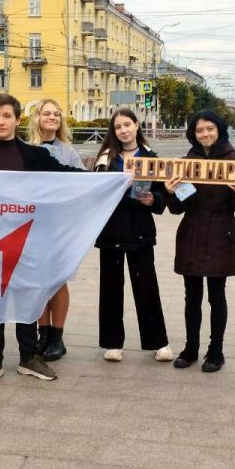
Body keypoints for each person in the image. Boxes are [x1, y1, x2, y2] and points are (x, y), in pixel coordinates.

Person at [0, 93, 81, 386]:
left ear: (17, 119)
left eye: (7, 116)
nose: (1, 121)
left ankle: (29, 357)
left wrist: (112, 178)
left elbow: (69, 177)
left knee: (29, 294)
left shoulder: (37, 156)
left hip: (29, 237)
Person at [164, 110, 235, 373]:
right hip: (191, 233)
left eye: (210, 129)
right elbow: (178, 209)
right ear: (193, 134)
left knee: (216, 295)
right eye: (200, 130)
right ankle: (191, 348)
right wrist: (171, 192)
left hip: (221, 235)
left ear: (220, 130)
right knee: (192, 296)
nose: (205, 134)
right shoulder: (185, 163)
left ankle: (216, 350)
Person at [93, 108, 173, 364]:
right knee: (110, 289)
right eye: (118, 127)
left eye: (127, 124)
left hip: (140, 232)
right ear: (113, 131)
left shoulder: (152, 157)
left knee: (147, 288)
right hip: (111, 232)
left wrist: (153, 199)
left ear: (137, 125)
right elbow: (96, 191)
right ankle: (112, 343)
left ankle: (158, 343)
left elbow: (162, 197)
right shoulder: (106, 158)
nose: (123, 130)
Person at [25, 98, 85, 361]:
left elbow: (83, 182)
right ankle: (43, 333)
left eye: (56, 114)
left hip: (60, 226)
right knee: (37, 281)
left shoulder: (69, 152)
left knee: (58, 279)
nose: (52, 118)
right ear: (36, 118)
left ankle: (57, 337)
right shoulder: (26, 149)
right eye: (46, 113)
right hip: (32, 224)